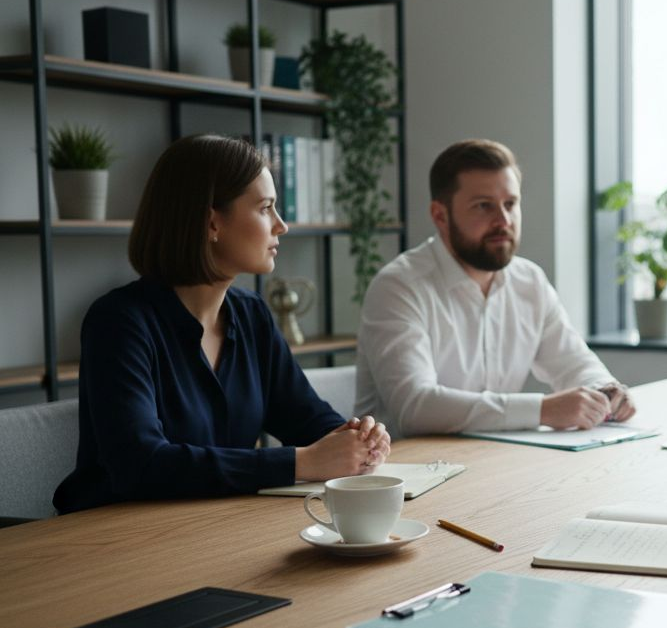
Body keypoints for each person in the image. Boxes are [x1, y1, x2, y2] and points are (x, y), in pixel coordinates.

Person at [55, 135, 391, 514]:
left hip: (212, 525)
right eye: (265, 208)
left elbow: (305, 417)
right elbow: (141, 465)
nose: (281, 226)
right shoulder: (118, 322)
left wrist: (357, 439)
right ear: (212, 222)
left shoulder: (252, 315)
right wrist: (301, 462)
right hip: (111, 539)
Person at [355, 139, 634, 438]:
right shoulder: (399, 287)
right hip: (409, 473)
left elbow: (573, 363)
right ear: (440, 215)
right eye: (483, 206)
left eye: (510, 204)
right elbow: (415, 407)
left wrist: (605, 391)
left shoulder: (529, 281)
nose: (503, 221)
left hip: (493, 462)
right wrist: (543, 409)